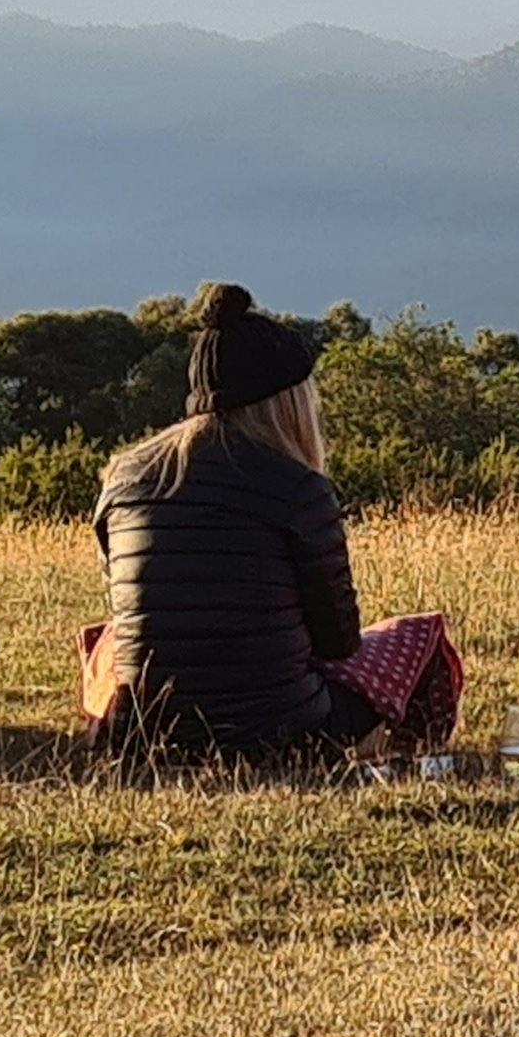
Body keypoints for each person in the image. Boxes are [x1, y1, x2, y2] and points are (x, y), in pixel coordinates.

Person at [87, 283, 388, 761]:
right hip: (280, 733)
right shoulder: (299, 489)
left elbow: (128, 608)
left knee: (107, 644)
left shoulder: (125, 477)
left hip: (143, 733)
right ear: (289, 404)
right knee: (418, 641)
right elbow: (338, 642)